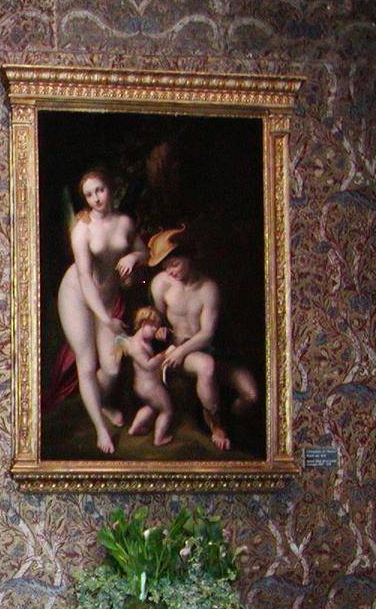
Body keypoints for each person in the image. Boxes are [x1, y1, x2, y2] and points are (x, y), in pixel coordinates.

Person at [43, 169, 148, 454]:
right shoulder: (82, 229)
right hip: (77, 296)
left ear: (110, 189)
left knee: (112, 367)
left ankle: (100, 403)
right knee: (88, 364)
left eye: (99, 190)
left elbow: (145, 253)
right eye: (89, 195)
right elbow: (85, 278)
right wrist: (105, 319)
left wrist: (133, 256)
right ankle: (101, 429)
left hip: (107, 296)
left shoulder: (125, 223)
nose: (96, 198)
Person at [148, 227, 260, 451]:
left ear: (188, 258)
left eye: (175, 264)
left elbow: (207, 333)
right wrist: (162, 334)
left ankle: (231, 419)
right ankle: (217, 426)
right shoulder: (161, 284)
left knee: (251, 395)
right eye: (165, 266)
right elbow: (156, 319)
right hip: (179, 349)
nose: (170, 271)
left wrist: (182, 350)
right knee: (206, 366)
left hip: (213, 347)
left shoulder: (208, 288)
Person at [118, 307, 175, 447]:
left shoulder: (141, 339)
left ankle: (134, 429)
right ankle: (159, 439)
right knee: (167, 410)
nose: (156, 332)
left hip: (143, 386)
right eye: (154, 328)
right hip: (150, 387)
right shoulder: (136, 346)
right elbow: (148, 365)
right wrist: (165, 354)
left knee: (151, 406)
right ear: (143, 324)